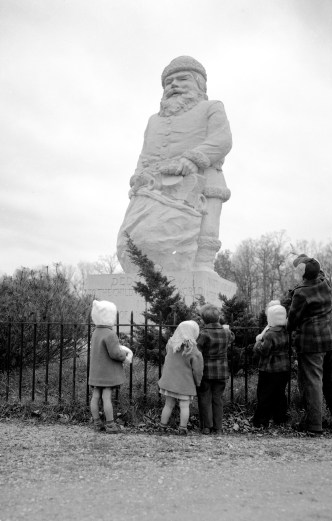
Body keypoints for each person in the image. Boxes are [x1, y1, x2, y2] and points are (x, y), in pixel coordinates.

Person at [117, 55, 232, 272]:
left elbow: (222, 140)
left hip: (204, 178)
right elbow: (145, 153)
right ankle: (146, 265)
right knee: (139, 231)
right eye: (169, 82)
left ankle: (203, 263)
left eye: (182, 79)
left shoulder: (212, 107)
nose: (174, 85)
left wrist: (193, 158)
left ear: (199, 84)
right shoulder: (154, 120)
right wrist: (138, 176)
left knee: (206, 225)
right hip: (157, 185)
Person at [287, 256, 332, 435]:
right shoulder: (324, 282)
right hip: (331, 340)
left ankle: (314, 426)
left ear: (303, 273)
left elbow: (292, 320)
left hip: (311, 343)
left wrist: (286, 327)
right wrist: (302, 257)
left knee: (313, 383)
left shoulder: (301, 292)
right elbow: (317, 269)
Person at [89, 300, 133, 433]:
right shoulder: (110, 334)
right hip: (107, 373)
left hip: (96, 372)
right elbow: (115, 353)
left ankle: (97, 422)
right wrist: (125, 358)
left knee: (95, 396)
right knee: (106, 397)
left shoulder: (96, 332)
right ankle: (110, 424)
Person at [158, 320, 203, 435]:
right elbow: (198, 370)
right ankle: (182, 428)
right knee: (184, 406)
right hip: (185, 383)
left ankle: (162, 426)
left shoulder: (170, 344)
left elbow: (168, 356)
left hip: (170, 381)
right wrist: (198, 382)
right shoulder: (193, 351)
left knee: (168, 404)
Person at [252, 303, 290, 428]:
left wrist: (257, 343)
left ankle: (261, 420)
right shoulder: (286, 332)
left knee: (265, 394)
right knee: (280, 394)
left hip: (269, 369)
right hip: (284, 368)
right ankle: (280, 418)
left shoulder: (269, 334)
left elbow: (264, 351)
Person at [196, 304, 232, 434]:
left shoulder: (204, 334)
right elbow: (232, 338)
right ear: (218, 318)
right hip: (222, 371)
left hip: (206, 371)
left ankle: (207, 426)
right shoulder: (226, 332)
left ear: (203, 320)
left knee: (205, 398)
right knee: (218, 398)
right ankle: (218, 427)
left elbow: (197, 351)